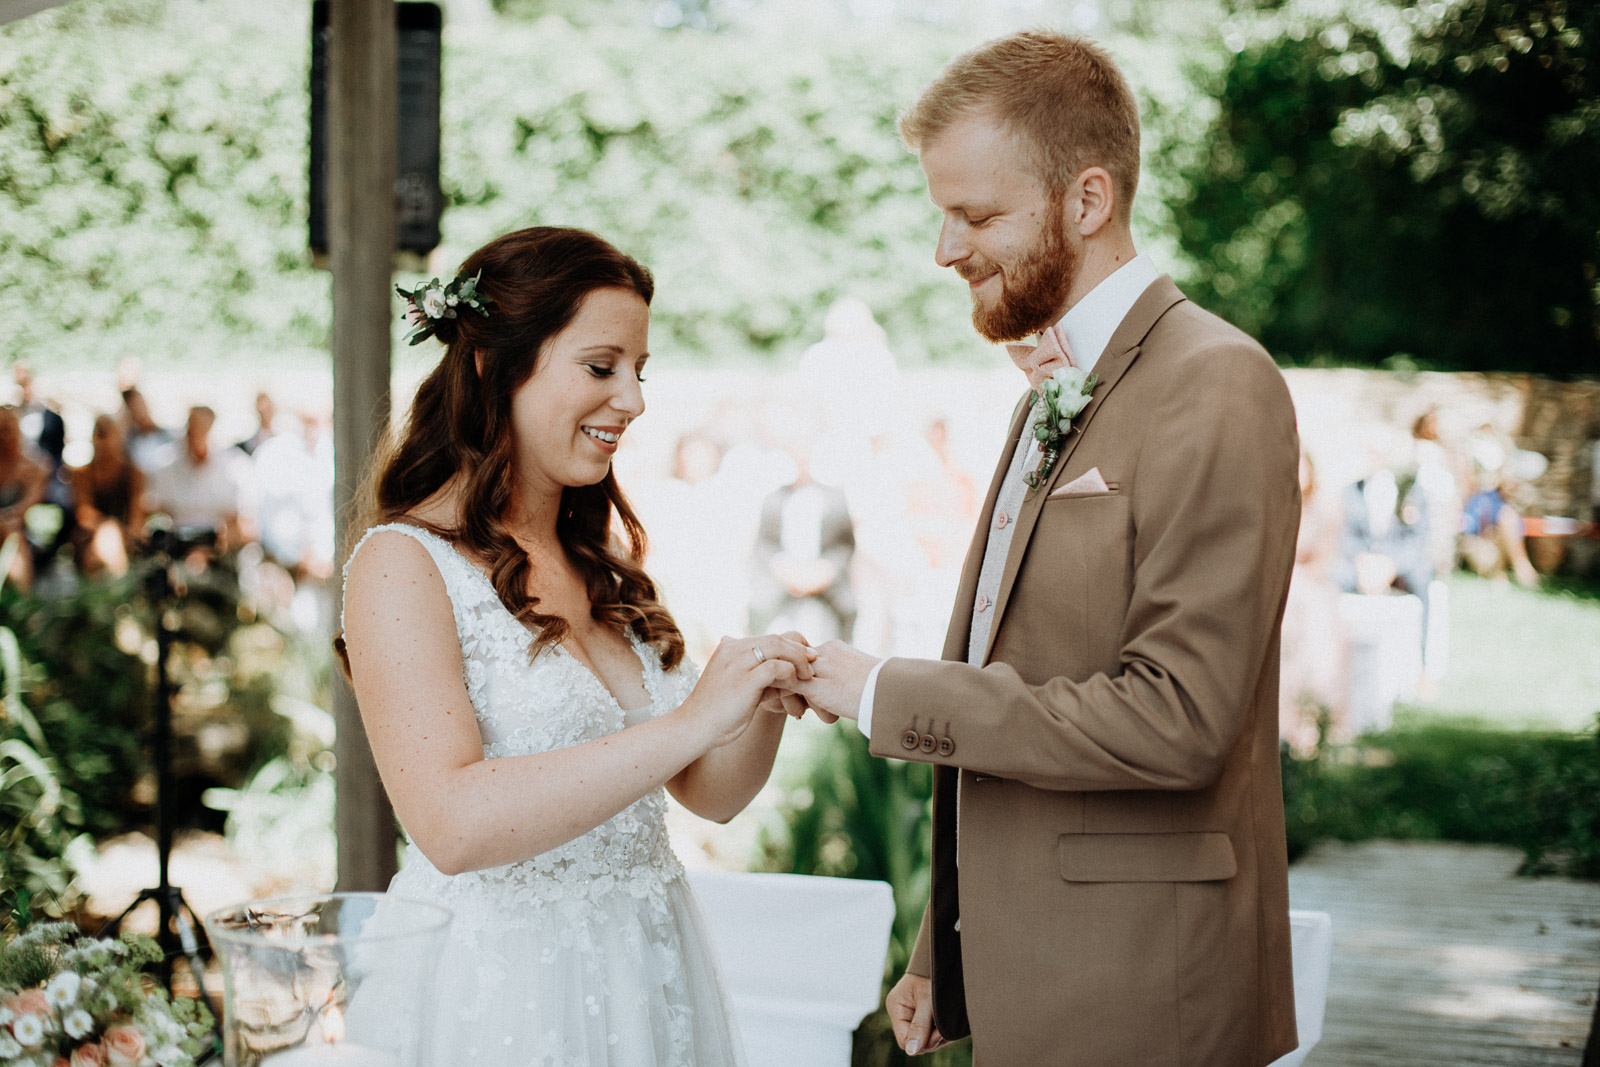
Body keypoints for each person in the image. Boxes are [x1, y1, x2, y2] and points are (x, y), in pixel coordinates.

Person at [783, 32, 1301, 1064]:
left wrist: (884, 690)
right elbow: (1013, 663)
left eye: (975, 215)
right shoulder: (1050, 392)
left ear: (1087, 200)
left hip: (1144, 990)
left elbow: (1177, 716)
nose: (945, 248)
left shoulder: (1216, 380)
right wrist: (945, 946)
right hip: (1029, 973)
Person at [338, 226, 812, 1067]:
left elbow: (711, 793)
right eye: (601, 368)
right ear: (493, 365)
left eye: (640, 371)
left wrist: (760, 701)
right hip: (504, 992)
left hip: (646, 967)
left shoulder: (598, 563)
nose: (632, 400)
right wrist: (690, 721)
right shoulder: (403, 565)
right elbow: (449, 822)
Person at [143, 405, 252, 550]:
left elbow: (243, 525)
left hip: (219, 551)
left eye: (202, 429)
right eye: (192, 428)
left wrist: (215, 547)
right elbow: (152, 510)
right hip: (177, 547)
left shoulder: (234, 466)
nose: (196, 436)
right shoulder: (167, 464)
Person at [69, 414, 147, 577]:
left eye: (107, 435)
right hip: (90, 534)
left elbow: (136, 514)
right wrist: (107, 529)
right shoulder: (82, 473)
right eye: (99, 435)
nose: (103, 443)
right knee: (106, 536)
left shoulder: (133, 473)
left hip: (125, 535)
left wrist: (125, 533)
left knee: (109, 536)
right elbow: (84, 513)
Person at [0, 406, 49, 590]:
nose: (4, 437)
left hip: (22, 533)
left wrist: (7, 518)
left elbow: (28, 505)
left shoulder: (34, 467)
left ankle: (21, 603)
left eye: (8, 429)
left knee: (13, 537)